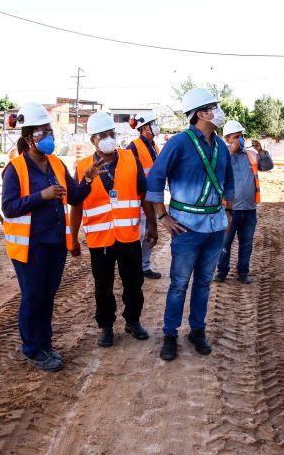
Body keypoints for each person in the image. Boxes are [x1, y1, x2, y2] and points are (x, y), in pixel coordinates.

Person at [2, 103, 103, 372]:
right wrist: (41, 196)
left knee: (48, 296)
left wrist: (89, 180)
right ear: (28, 139)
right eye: (42, 133)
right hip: (30, 246)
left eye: (50, 132)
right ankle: (32, 349)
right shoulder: (15, 169)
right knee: (33, 296)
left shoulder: (57, 164)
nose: (50, 138)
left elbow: (75, 196)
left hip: (56, 243)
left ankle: (45, 344)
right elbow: (9, 207)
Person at [146, 88, 234, 362]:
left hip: (215, 226)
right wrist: (162, 216)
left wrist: (228, 213)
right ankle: (170, 334)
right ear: (200, 113)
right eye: (214, 107)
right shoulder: (179, 143)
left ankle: (197, 330)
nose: (219, 112)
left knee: (205, 282)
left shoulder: (220, 145)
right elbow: (155, 179)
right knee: (179, 283)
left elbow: (229, 181)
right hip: (186, 227)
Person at [70, 112, 158, 347]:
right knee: (103, 286)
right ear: (93, 140)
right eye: (103, 136)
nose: (109, 139)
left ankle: (133, 321)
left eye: (111, 134)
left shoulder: (130, 159)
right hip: (100, 240)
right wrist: (73, 238)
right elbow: (76, 205)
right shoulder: (82, 167)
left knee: (133, 282)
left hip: (128, 236)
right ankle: (106, 326)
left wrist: (152, 225)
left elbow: (144, 195)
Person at [215, 120, 273, 284]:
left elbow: (268, 166)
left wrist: (261, 151)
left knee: (246, 243)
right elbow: (216, 172)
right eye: (237, 136)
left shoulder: (251, 154)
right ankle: (221, 271)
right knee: (225, 243)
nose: (241, 139)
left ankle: (243, 272)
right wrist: (230, 153)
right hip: (229, 209)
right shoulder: (221, 154)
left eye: (242, 136)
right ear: (228, 139)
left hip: (249, 209)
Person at [126, 111, 163, 280]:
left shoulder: (154, 147)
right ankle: (133, 268)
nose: (156, 125)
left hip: (153, 198)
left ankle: (144, 266)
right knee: (139, 234)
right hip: (139, 199)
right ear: (145, 127)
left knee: (150, 232)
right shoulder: (133, 147)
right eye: (153, 123)